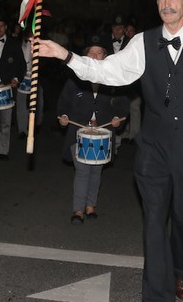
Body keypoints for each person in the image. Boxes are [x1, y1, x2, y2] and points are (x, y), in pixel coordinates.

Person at [34, 0, 183, 302]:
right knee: (154, 220)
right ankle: (156, 295)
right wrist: (65, 55)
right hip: (155, 147)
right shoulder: (142, 42)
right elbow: (108, 71)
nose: (167, 3)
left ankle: (182, 269)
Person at [57, 36, 128, 224]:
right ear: (85, 56)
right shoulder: (75, 78)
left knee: (96, 171)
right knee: (82, 171)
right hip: (78, 133)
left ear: (106, 56)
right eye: (91, 52)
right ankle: (78, 210)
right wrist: (63, 117)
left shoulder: (114, 79)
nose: (95, 56)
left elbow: (122, 107)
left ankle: (91, 205)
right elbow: (63, 103)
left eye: (99, 53)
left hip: (102, 135)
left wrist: (117, 119)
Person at [0, 14, 26, 161]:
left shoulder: (14, 44)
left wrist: (16, 79)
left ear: (6, 27)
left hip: (7, 88)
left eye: (2, 26)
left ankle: (3, 151)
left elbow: (22, 65)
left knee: (6, 122)